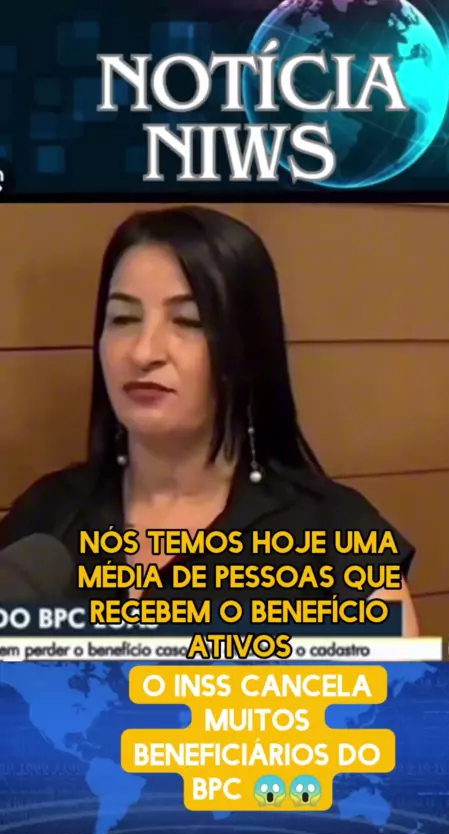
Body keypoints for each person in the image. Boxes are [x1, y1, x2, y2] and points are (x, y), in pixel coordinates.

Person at [0, 205, 419, 636]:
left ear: (248, 349)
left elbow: (396, 680)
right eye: (123, 318)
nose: (144, 352)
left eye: (188, 321)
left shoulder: (335, 534)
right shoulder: (47, 519)